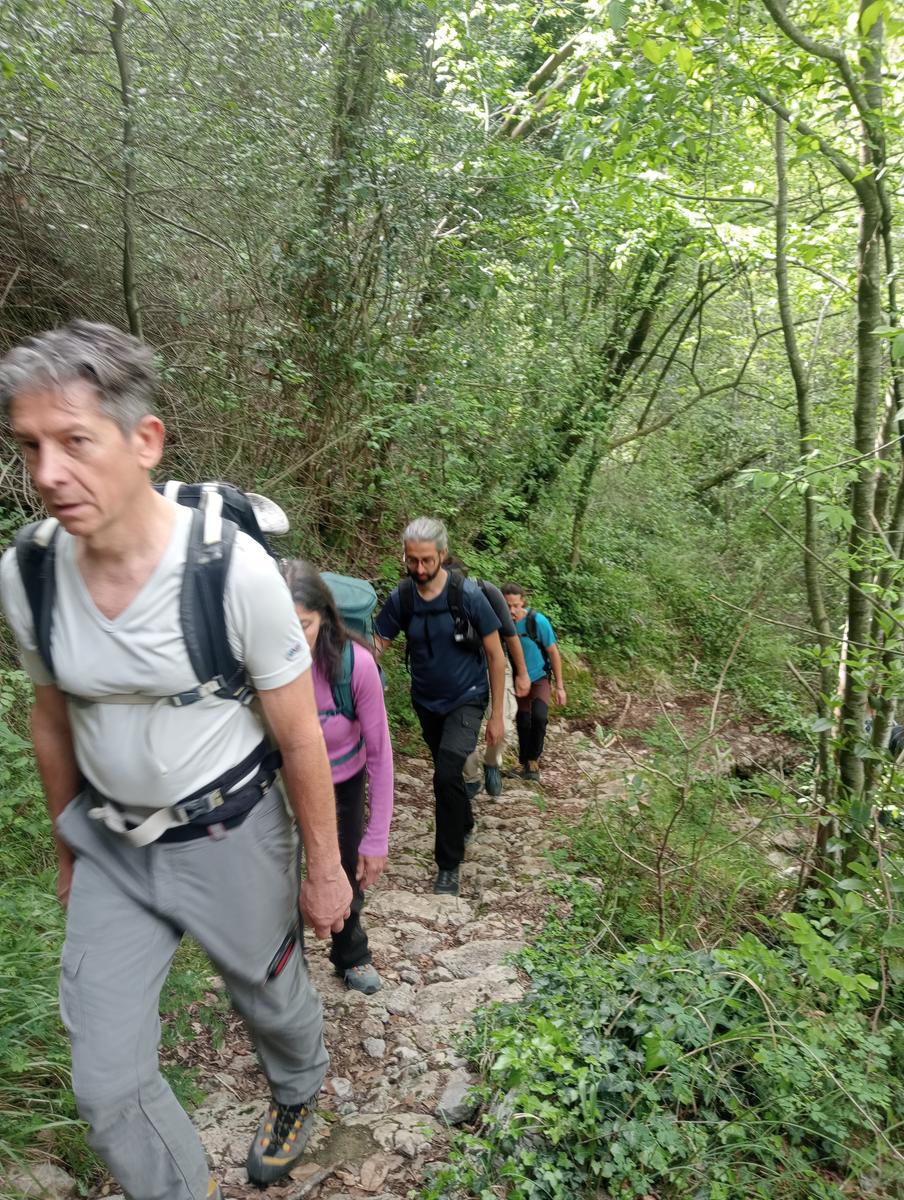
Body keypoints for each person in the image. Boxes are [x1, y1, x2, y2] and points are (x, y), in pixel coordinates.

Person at [0, 321, 353, 1199]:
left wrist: (327, 871)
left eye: (74, 442)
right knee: (105, 1081)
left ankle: (297, 1092)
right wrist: (66, 849)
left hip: (231, 835)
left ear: (144, 440)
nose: (48, 473)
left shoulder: (232, 575)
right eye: (30, 446)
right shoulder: (29, 574)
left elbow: (301, 732)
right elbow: (51, 718)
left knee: (268, 996)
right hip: (112, 846)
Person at [373, 517, 505, 897]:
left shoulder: (468, 596)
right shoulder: (403, 598)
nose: (419, 569)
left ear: (443, 555)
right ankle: (462, 818)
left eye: (427, 561)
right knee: (446, 773)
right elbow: (378, 643)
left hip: (468, 695)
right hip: (426, 700)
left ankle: (448, 865)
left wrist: (496, 715)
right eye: (412, 560)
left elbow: (496, 656)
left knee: (447, 770)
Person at [282, 561, 393, 996]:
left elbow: (381, 754)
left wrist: (377, 837)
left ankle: (350, 953)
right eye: (282, 627)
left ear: (325, 619)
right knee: (276, 879)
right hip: (280, 785)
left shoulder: (355, 666)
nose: (292, 641)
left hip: (341, 784)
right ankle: (284, 970)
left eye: (304, 626)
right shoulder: (260, 665)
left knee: (342, 870)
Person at [444, 556, 530, 798]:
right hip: (459, 670)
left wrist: (522, 672)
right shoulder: (430, 599)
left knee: (502, 721)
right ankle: (471, 778)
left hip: (496, 664)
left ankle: (492, 761)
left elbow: (511, 636)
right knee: (460, 728)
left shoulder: (486, 592)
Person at [500, 583, 567, 782]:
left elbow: (553, 652)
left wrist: (560, 687)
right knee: (523, 719)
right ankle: (526, 763)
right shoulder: (500, 623)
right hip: (517, 678)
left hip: (539, 676)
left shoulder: (537, 621)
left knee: (539, 716)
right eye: (507, 606)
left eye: (515, 605)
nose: (512, 610)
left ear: (523, 602)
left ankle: (533, 761)